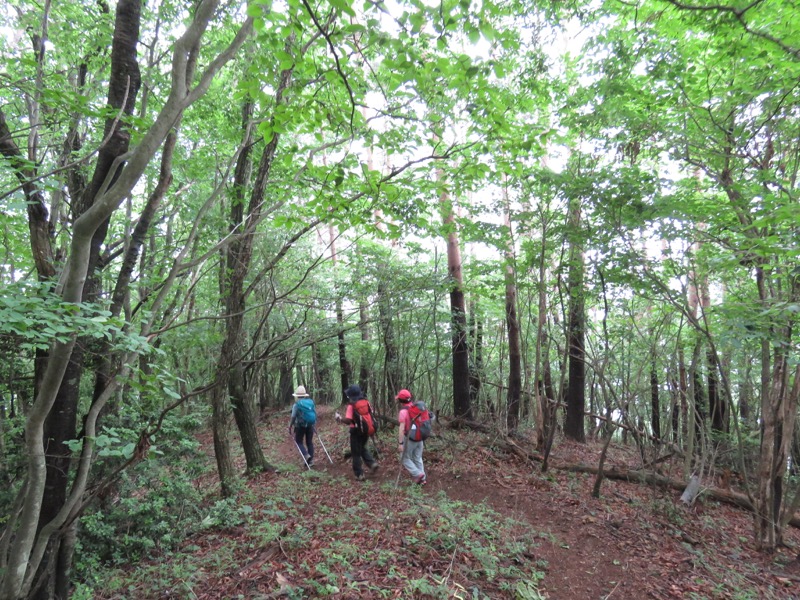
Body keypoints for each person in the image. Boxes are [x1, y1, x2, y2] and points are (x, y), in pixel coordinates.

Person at [335, 384, 379, 481]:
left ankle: (359, 474)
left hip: (355, 431)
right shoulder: (366, 402)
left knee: (356, 453)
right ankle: (372, 463)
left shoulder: (352, 406)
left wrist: (340, 418)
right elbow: (371, 414)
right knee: (362, 448)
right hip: (366, 429)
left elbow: (349, 420)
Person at [396, 388, 426, 485]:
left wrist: (400, 443)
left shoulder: (403, 412)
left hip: (410, 438)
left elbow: (401, 429)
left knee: (404, 458)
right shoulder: (416, 408)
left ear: (401, 401)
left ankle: (418, 474)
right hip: (420, 437)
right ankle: (423, 479)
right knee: (417, 457)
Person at [289, 385, 316, 467]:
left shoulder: (296, 405)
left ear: (297, 396)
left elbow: (293, 417)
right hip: (310, 425)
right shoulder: (310, 402)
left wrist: (290, 426)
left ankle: (306, 455)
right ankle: (310, 461)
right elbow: (314, 413)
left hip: (300, 426)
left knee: (299, 441)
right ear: (304, 395)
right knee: (309, 442)